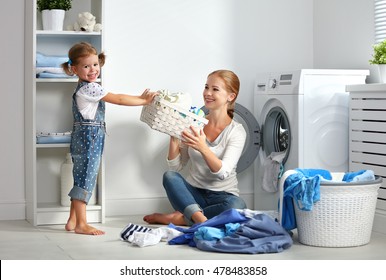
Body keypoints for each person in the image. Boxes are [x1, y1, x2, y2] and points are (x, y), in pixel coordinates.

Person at [61, 42, 157, 235]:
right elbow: (119, 99)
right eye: (86, 66)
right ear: (74, 68)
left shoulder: (84, 88)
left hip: (85, 136)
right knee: (86, 178)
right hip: (89, 138)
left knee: (81, 176)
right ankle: (81, 224)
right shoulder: (90, 89)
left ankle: (73, 220)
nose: (92, 69)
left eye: (95, 64)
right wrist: (143, 100)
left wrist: (141, 99)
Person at [143, 70, 247, 226]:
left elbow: (223, 173)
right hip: (193, 194)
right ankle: (201, 220)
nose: (207, 93)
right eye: (206, 87)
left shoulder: (236, 131)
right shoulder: (194, 123)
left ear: (230, 96)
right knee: (170, 176)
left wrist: (203, 147)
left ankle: (180, 218)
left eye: (215, 89)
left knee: (237, 207)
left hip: (224, 196)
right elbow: (176, 166)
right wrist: (174, 136)